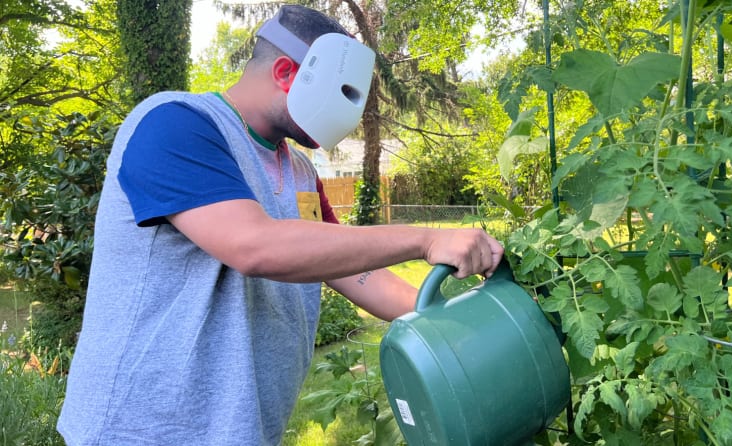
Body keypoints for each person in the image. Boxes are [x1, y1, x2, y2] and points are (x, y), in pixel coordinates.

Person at [57, 5, 503, 445]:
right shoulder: (175, 124)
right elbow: (254, 246)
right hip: (141, 431)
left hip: (243, 430)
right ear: (287, 73)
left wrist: (458, 319)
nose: (351, 113)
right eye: (343, 93)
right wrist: (426, 239)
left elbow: (351, 268)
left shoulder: (302, 173)